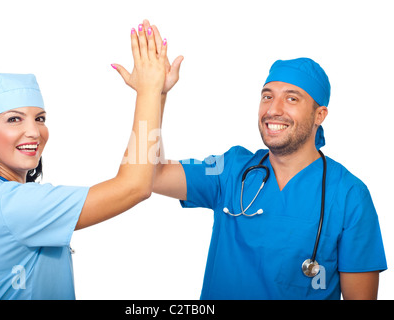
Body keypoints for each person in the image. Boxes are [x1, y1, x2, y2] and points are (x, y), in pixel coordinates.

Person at [0, 20, 177, 299]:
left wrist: (158, 95)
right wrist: (148, 92)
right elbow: (134, 187)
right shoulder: (11, 205)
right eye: (14, 119)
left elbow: (143, 174)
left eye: (40, 118)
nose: (34, 131)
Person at [145, 55, 387, 299]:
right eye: (267, 96)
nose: (273, 109)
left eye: (291, 98)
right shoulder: (229, 169)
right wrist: (154, 95)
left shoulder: (349, 195)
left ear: (319, 115)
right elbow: (151, 173)